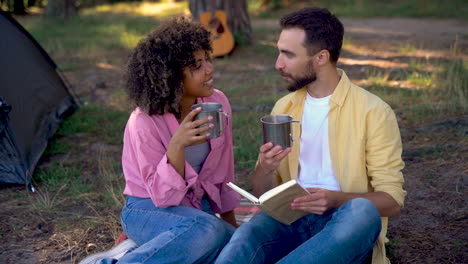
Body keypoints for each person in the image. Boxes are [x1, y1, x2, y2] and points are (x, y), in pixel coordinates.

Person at [215, 7, 406, 264]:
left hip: (343, 222)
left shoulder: (373, 112)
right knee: (245, 237)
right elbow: (264, 193)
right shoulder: (284, 108)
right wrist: (266, 168)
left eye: (288, 54)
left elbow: (392, 201)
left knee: (362, 211)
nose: (277, 64)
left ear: (321, 57)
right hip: (291, 216)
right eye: (279, 52)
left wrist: (335, 200)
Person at [80, 16, 240, 264]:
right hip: (147, 209)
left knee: (241, 247)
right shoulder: (143, 122)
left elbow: (224, 171)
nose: (210, 69)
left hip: (200, 211)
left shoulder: (217, 103)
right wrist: (177, 145)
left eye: (207, 59)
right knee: (207, 232)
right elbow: (163, 197)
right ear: (172, 75)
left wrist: (234, 229)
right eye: (196, 66)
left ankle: (139, 252)